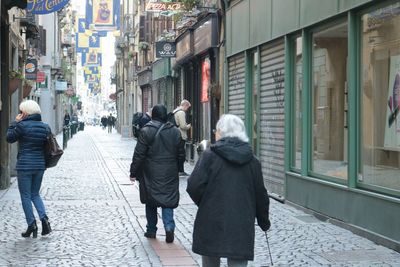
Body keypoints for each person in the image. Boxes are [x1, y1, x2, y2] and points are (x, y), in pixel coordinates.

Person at [186, 114, 271, 267]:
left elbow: (193, 186)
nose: (215, 133)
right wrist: (264, 221)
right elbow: (261, 195)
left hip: (211, 218)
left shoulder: (209, 156)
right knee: (238, 259)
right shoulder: (252, 161)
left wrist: (205, 203)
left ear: (222, 132)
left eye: (216, 130)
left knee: (210, 259)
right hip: (241, 221)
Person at [129, 104, 185, 243]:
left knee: (151, 199)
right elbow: (181, 154)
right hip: (169, 171)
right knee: (167, 200)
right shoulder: (175, 132)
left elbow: (139, 154)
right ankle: (169, 227)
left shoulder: (146, 130)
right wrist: (177, 168)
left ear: (153, 115)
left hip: (150, 171)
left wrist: (133, 172)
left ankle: (151, 230)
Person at [6, 100, 53, 238]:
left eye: (21, 112)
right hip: (39, 165)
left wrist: (14, 122)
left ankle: (31, 225)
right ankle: (44, 220)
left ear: (25, 113)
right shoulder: (45, 127)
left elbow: (9, 138)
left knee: (25, 196)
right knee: (35, 194)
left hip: (25, 166)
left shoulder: (21, 126)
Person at [173, 99, 191, 176]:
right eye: (187, 107)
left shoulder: (175, 111)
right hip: (180, 135)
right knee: (181, 154)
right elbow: (183, 126)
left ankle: (177, 170)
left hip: (175, 135)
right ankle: (180, 171)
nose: (187, 110)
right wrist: (189, 126)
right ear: (185, 105)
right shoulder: (181, 113)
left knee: (177, 153)